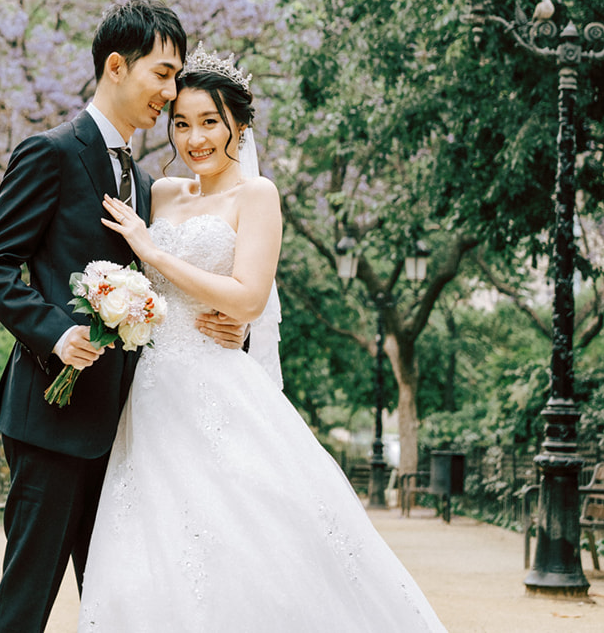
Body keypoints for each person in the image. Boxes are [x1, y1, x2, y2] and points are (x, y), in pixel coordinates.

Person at [78, 45, 449, 632]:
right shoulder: (161, 192)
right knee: (151, 544)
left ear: (240, 126)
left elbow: (249, 298)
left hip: (217, 385)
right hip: (150, 393)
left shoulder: (258, 196)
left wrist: (156, 254)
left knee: (245, 536)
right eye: (181, 123)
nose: (195, 138)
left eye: (210, 122)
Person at [0, 0, 249, 633]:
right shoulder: (50, 152)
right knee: (26, 601)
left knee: (121, 603)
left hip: (131, 428)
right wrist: (56, 333)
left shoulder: (147, 185)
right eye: (163, 74)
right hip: (54, 416)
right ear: (117, 66)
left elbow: (168, 286)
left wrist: (234, 326)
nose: (171, 93)